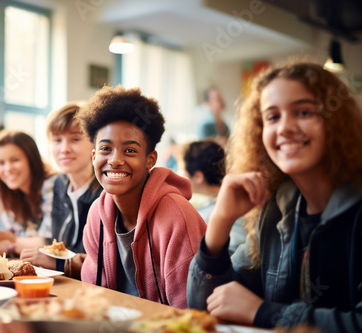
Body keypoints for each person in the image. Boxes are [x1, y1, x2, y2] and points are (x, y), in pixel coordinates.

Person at [186, 62, 362, 331]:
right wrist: (221, 219)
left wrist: (265, 313)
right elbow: (207, 306)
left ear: (336, 121)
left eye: (304, 112)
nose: (285, 128)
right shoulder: (276, 210)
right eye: (272, 117)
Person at [77, 85, 207, 308]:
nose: (115, 160)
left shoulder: (177, 218)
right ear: (94, 155)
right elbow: (93, 295)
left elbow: (190, 314)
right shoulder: (97, 213)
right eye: (105, 149)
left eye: (130, 151)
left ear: (150, 160)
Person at [20, 102, 102, 278]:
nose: (64, 149)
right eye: (57, 140)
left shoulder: (105, 193)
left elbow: (108, 265)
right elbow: (56, 243)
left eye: (75, 139)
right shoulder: (59, 183)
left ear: (95, 143)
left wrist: (58, 263)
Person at [0, 130, 54, 255]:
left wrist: (13, 244)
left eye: (15, 160)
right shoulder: (3, 194)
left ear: (31, 159)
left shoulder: (52, 185)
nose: (8, 169)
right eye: (1, 163)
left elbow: (49, 243)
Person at [181, 140, 245, 255]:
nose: (180, 175)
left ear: (198, 176)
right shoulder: (232, 200)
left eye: (183, 170)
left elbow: (234, 253)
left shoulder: (225, 208)